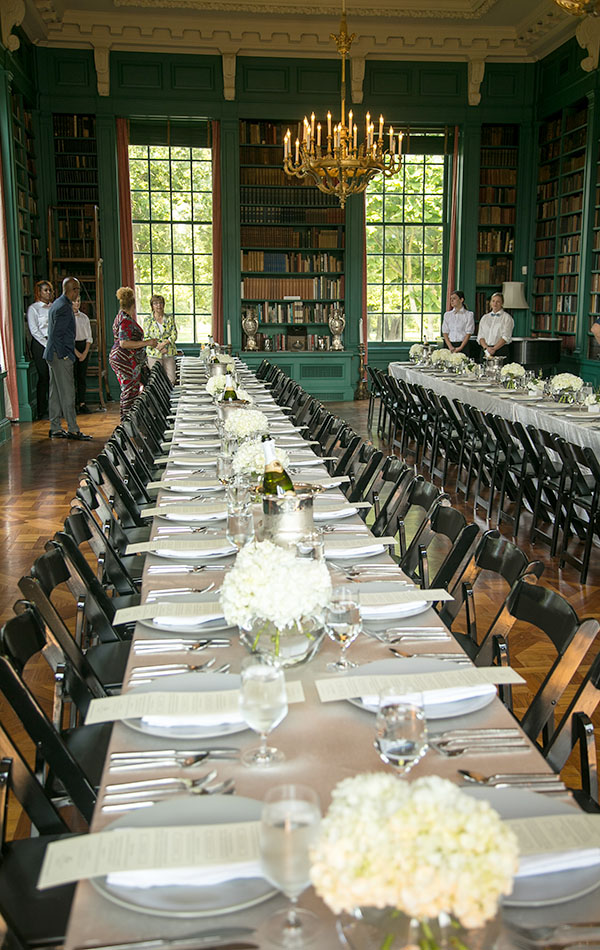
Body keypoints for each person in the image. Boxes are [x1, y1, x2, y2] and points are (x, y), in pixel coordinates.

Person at [43, 276, 92, 440]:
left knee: (55, 393)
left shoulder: (57, 303)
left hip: (52, 354)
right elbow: (58, 335)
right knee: (68, 393)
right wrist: (65, 356)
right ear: (71, 289)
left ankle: (55, 427)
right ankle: (73, 429)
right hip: (60, 356)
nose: (78, 292)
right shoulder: (64, 307)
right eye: (77, 289)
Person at [108, 286, 158, 419]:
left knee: (137, 386)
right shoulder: (124, 320)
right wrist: (147, 343)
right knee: (129, 389)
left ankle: (136, 417)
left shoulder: (121, 316)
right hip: (125, 359)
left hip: (129, 359)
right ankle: (127, 422)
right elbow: (124, 343)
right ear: (133, 304)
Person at [27, 280, 53, 418]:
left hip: (53, 343)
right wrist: (46, 344)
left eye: (49, 290)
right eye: (45, 290)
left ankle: (54, 409)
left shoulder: (54, 307)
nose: (48, 293)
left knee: (54, 378)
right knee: (44, 376)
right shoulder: (33, 309)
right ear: (39, 292)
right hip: (40, 345)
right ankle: (42, 410)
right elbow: (34, 330)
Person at [144, 294, 177, 384]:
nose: (159, 305)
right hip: (154, 353)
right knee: (156, 380)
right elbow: (146, 337)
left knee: (171, 379)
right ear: (152, 306)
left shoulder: (169, 318)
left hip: (169, 352)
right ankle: (159, 398)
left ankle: (170, 398)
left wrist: (164, 344)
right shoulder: (148, 320)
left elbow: (174, 334)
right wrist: (160, 348)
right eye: (155, 303)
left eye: (161, 303)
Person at [478, 291, 514, 357]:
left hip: (500, 350)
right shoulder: (484, 318)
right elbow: (480, 336)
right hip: (485, 350)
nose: (495, 304)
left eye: (498, 302)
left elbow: (506, 337)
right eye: (493, 301)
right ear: (490, 303)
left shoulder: (507, 318)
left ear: (502, 303)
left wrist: (494, 349)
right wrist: (486, 348)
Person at [73, 295, 93, 413]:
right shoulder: (67, 318)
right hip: (71, 347)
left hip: (83, 346)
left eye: (78, 301)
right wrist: (76, 353)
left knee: (81, 377)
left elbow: (89, 337)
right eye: (74, 301)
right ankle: (72, 404)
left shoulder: (84, 317)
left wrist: (84, 352)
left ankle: (82, 403)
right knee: (71, 378)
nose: (77, 303)